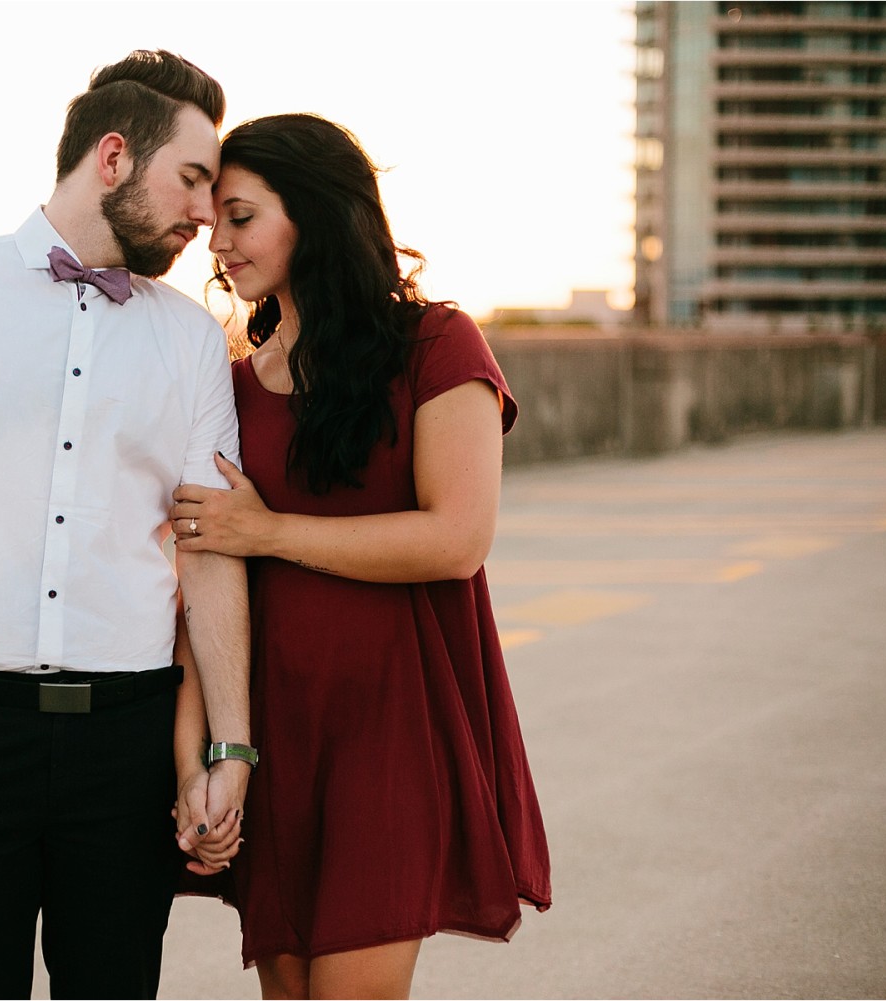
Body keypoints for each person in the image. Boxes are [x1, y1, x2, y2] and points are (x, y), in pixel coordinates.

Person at [0, 50, 253, 1000]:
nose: (202, 212)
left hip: (128, 745)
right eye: (191, 178)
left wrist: (229, 746)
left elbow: (210, 549)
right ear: (112, 156)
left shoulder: (190, 338)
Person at [170, 114, 552, 999]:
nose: (216, 242)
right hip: (272, 731)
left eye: (239, 215)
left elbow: (457, 539)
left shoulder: (436, 344)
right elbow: (204, 582)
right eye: (214, 220)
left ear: (314, 212)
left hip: (392, 725)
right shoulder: (231, 382)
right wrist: (196, 758)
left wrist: (269, 531)